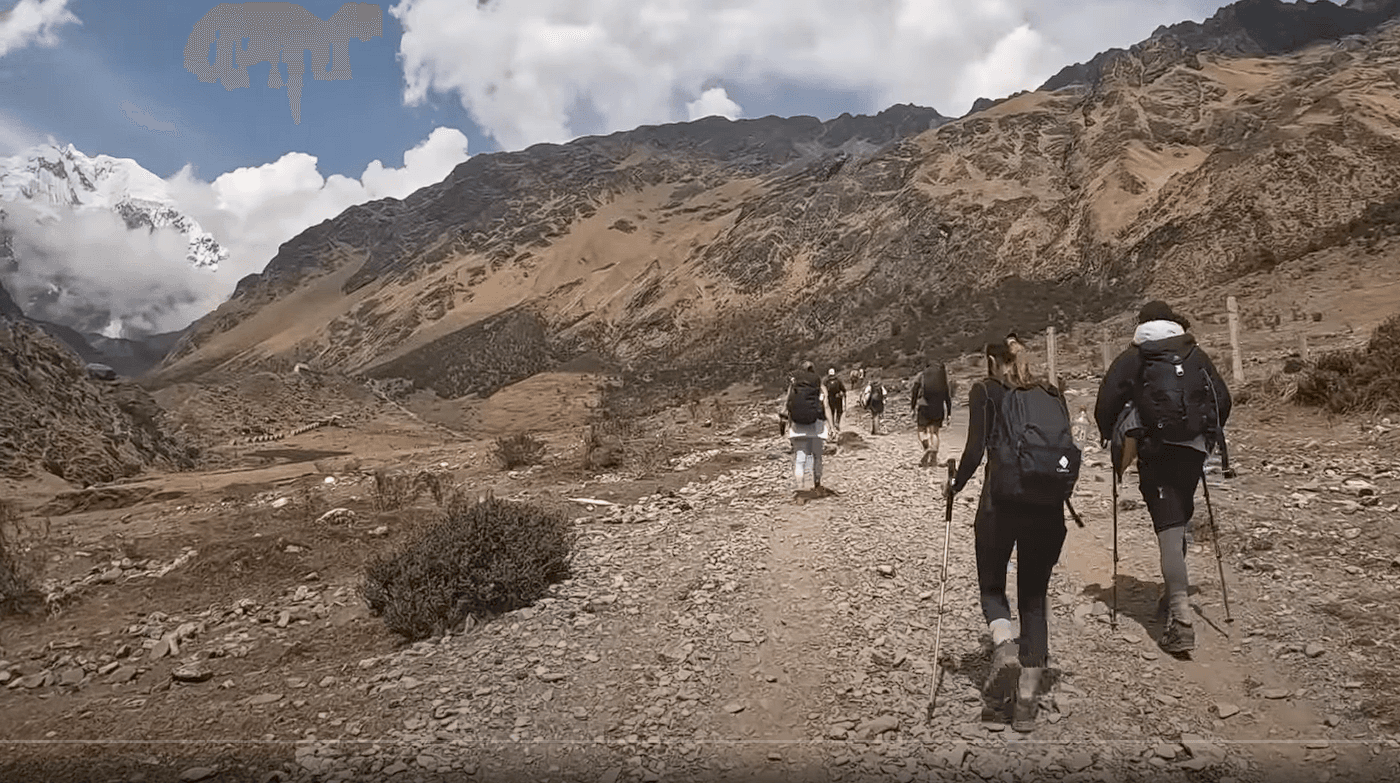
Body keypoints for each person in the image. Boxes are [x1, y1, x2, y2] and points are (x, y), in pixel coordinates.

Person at [950, 341, 1077, 732]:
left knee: (992, 587)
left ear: (991, 361)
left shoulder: (986, 391)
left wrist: (955, 485)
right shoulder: (1051, 394)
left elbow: (974, 450)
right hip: (1047, 507)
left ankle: (1005, 646)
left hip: (1000, 504)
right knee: (1034, 600)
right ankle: (1025, 704)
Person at [1095, 301, 1231, 655]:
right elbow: (1223, 399)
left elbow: (1107, 400)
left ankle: (1181, 619)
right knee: (1179, 517)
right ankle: (1171, 595)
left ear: (1141, 323)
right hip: (1194, 450)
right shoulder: (1193, 353)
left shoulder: (1136, 356)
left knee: (1168, 530)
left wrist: (1108, 434)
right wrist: (1205, 434)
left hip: (1156, 450)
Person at [784, 361, 833, 493]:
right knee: (817, 457)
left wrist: (789, 426)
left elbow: (788, 405)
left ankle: (800, 488)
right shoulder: (820, 386)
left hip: (797, 426)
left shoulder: (794, 385)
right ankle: (817, 484)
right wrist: (832, 426)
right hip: (816, 426)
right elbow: (826, 406)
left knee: (800, 459)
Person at [910, 362, 953, 466]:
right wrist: (949, 413)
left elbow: (914, 391)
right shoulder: (941, 378)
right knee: (934, 433)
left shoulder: (921, 375)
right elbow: (947, 396)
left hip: (924, 405)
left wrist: (912, 407)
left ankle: (927, 447)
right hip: (938, 406)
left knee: (921, 430)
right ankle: (933, 459)